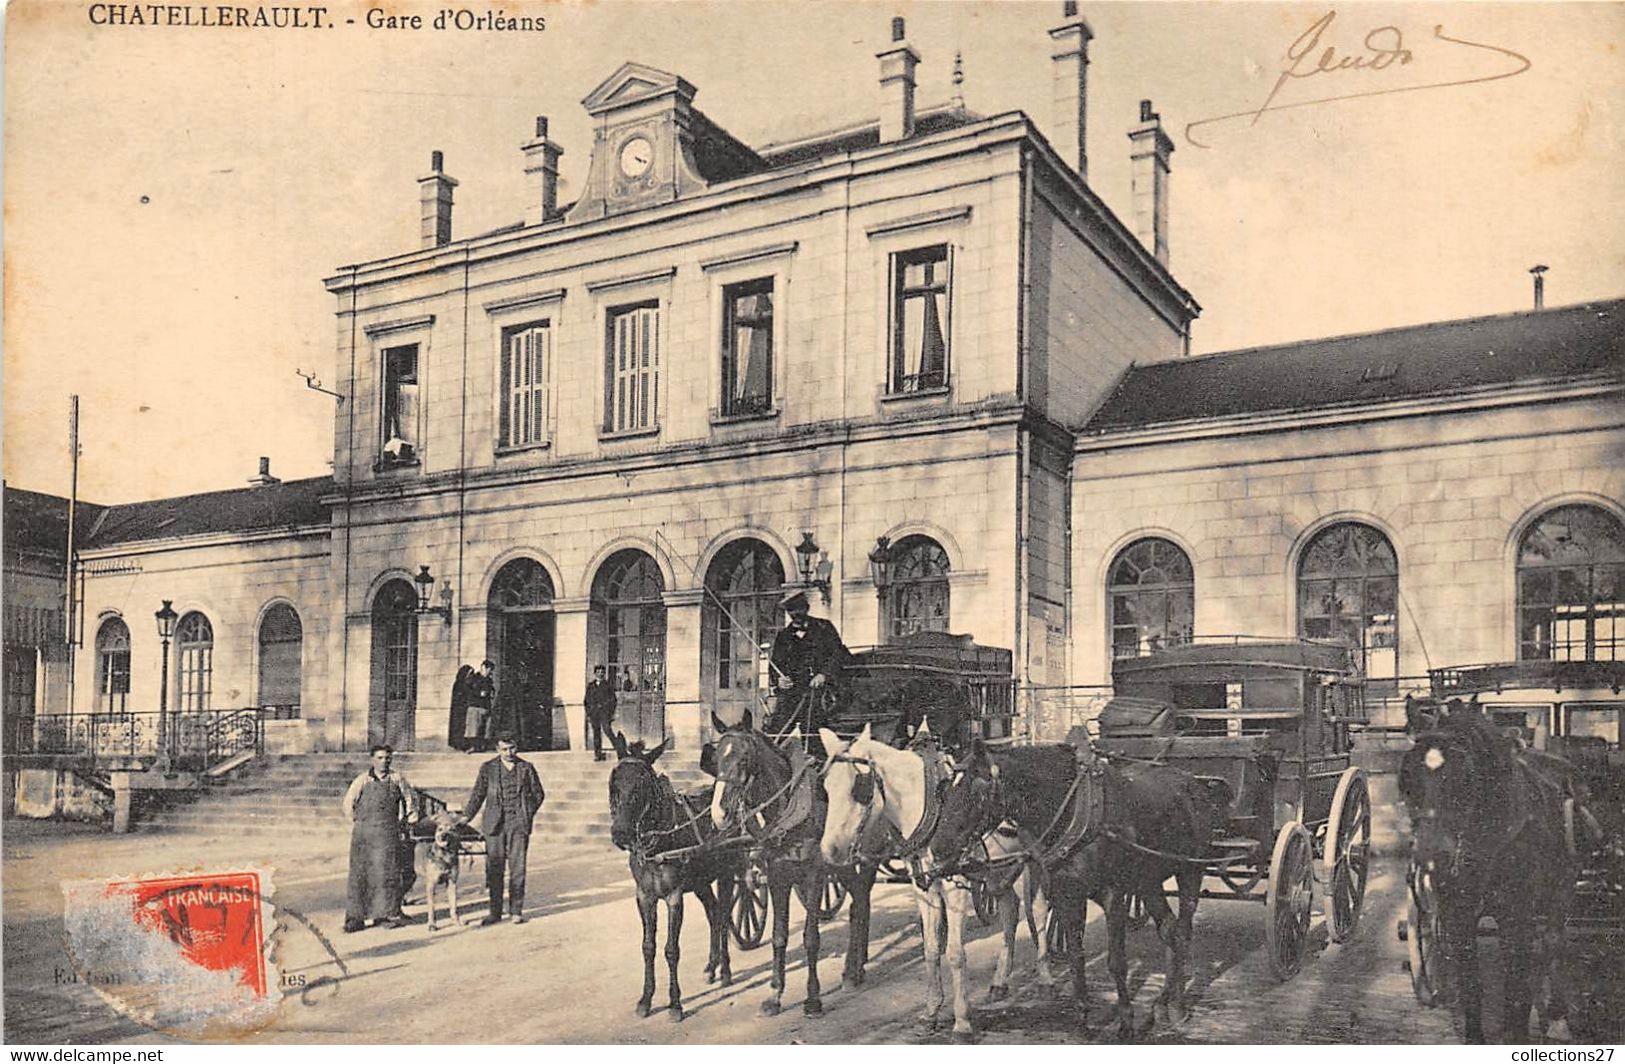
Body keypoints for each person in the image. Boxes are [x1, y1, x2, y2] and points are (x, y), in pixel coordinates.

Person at [461, 734, 545, 925]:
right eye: (504, 749)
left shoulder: (526, 768)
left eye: (512, 748)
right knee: (494, 868)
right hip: (494, 824)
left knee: (518, 867)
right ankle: (495, 912)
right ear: (497, 750)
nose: (509, 753)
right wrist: (466, 817)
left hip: (518, 823)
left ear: (517, 747)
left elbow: (539, 794)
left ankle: (516, 911)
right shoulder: (488, 768)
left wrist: (526, 811)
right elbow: (477, 795)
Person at [341, 745, 418, 932]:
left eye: (388, 758)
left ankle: (384, 915)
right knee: (360, 875)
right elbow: (348, 805)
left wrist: (409, 819)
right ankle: (355, 918)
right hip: (364, 836)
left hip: (388, 834)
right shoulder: (362, 780)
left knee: (386, 874)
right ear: (372, 760)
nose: (385, 762)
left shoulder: (397, 779)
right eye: (381, 758)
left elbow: (410, 801)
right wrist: (361, 823)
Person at [763, 588, 849, 739]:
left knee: (816, 727)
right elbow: (775, 665)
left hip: (822, 690)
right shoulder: (783, 636)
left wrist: (824, 674)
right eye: (791, 611)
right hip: (793, 693)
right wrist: (779, 680)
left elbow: (838, 654)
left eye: (799, 609)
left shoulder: (824, 627)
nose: (795, 614)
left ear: (806, 608)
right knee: (777, 731)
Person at [584, 664, 617, 761]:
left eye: (602, 672)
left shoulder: (608, 686)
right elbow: (586, 701)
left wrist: (611, 712)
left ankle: (619, 749)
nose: (600, 674)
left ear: (604, 674)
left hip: (604, 713)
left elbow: (613, 700)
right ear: (595, 674)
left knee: (607, 730)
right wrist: (589, 713)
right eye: (598, 672)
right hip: (594, 713)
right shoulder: (591, 686)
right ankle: (598, 754)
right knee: (596, 733)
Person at [463, 660, 496, 753]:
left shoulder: (489, 680)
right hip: (475, 706)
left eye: (491, 670)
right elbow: (467, 691)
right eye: (489, 669)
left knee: (486, 728)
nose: (490, 672)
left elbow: (491, 691)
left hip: (486, 707)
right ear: (483, 667)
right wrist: (478, 693)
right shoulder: (473, 678)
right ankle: (472, 747)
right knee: (473, 728)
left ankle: (483, 747)